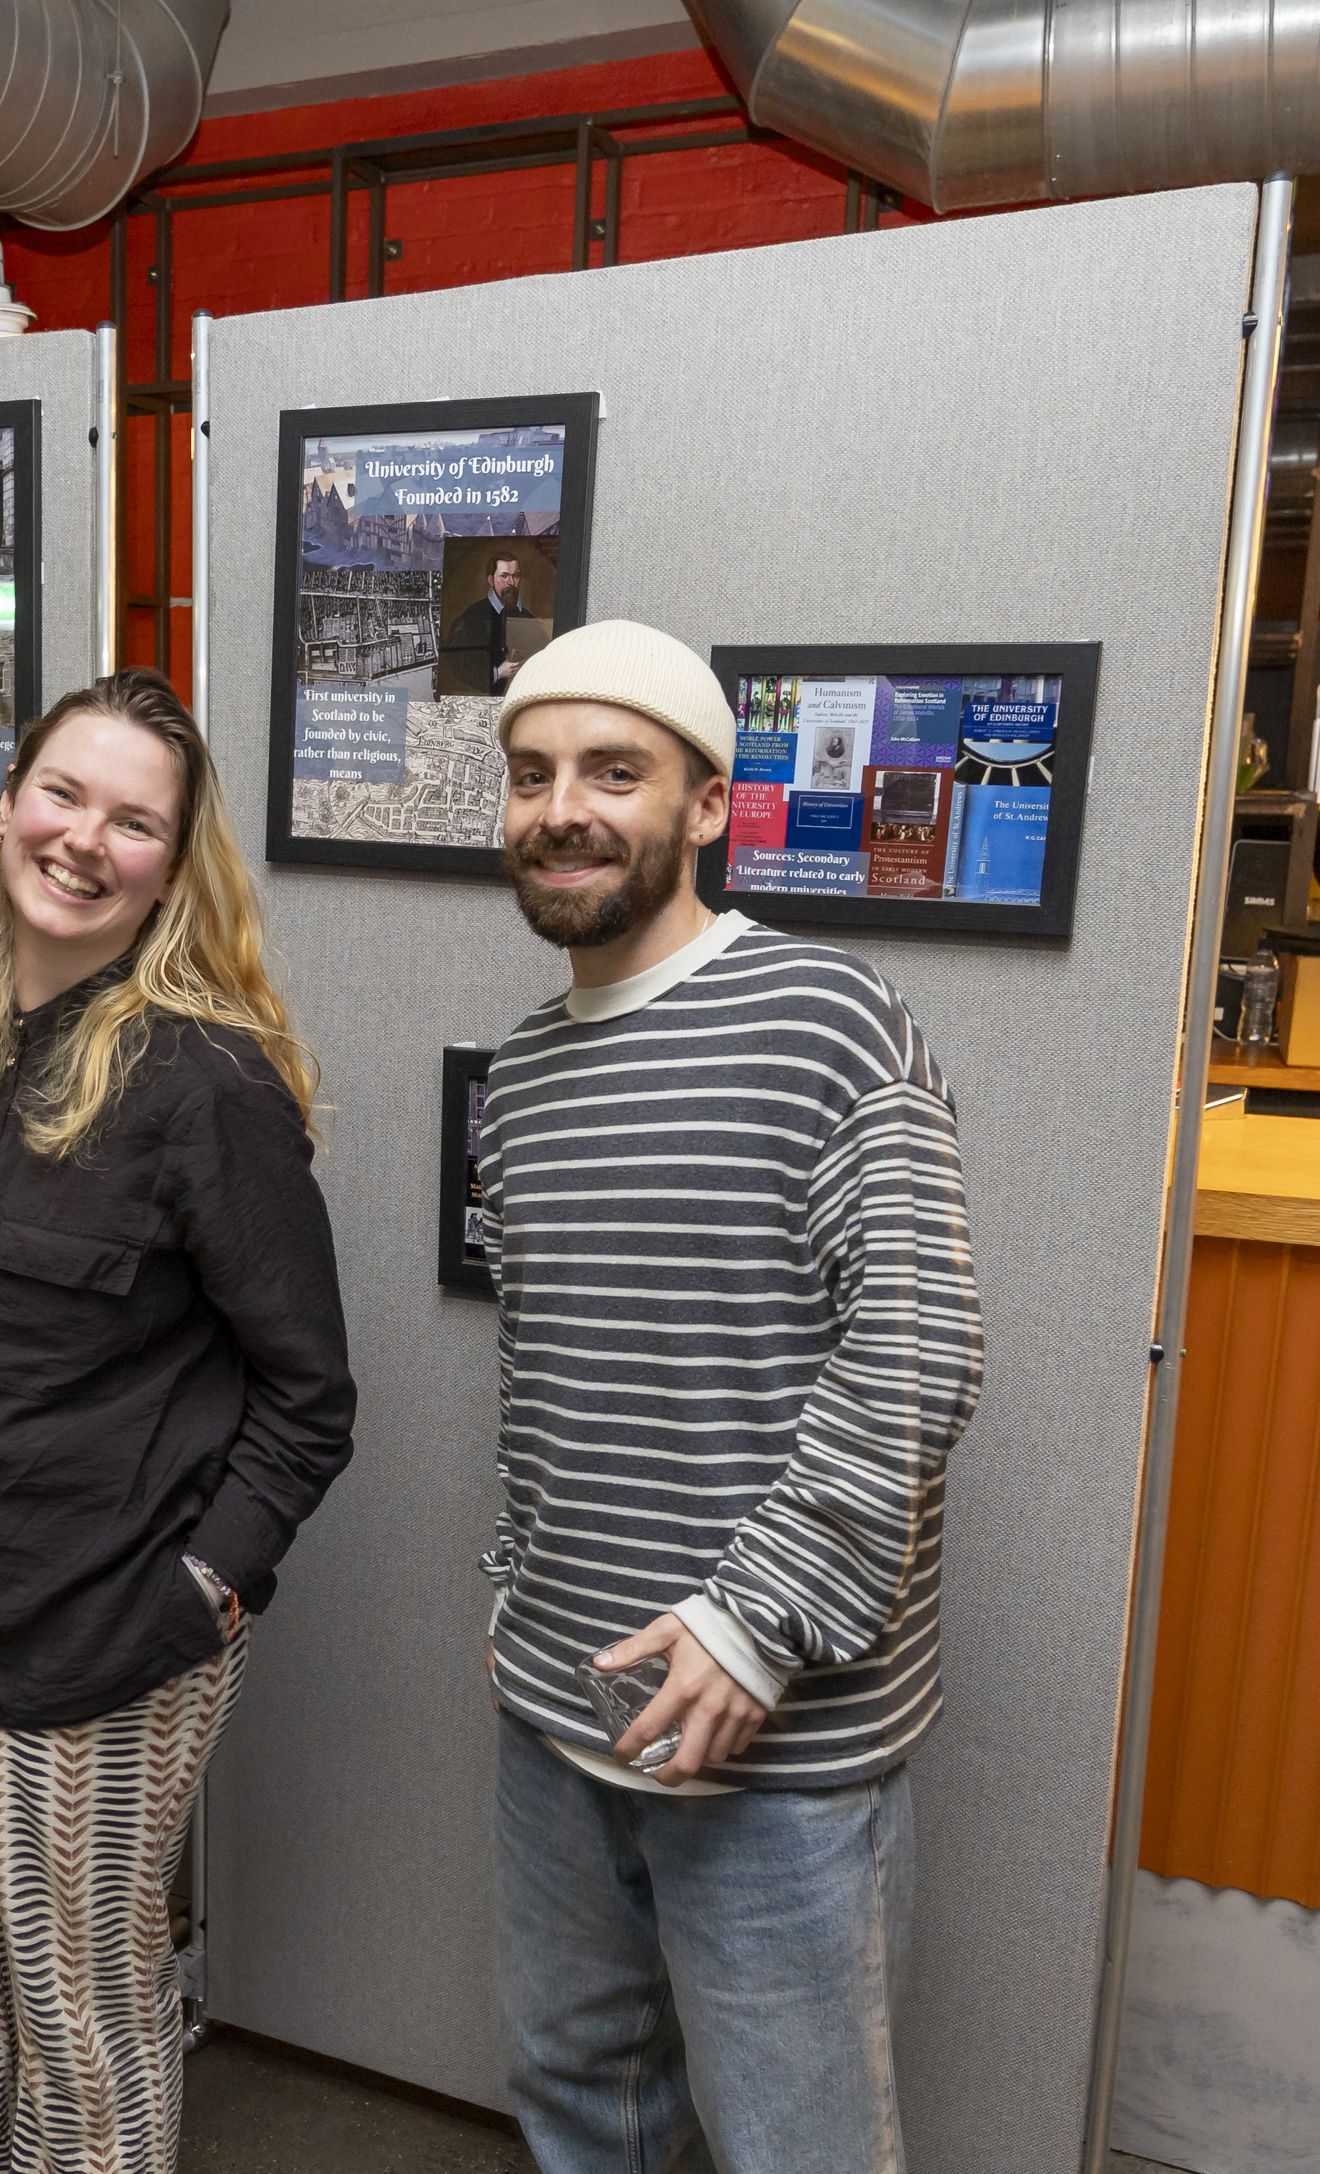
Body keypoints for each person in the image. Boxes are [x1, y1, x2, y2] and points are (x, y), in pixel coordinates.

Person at [476, 620, 981, 2174]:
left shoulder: (830, 1021)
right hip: (560, 1714)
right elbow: (567, 1381)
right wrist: (524, 1607)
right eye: (533, 773)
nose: (564, 807)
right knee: (579, 2109)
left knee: (797, 2146)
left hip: (780, 1750)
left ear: (705, 808)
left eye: (614, 771)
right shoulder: (519, 1072)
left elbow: (918, 1348)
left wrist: (753, 1621)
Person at [0, 667, 356, 2174]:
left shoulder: (207, 1084)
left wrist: (208, 1583)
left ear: (171, 865)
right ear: (8, 803)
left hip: (110, 1616)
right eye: (62, 793)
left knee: (79, 2003)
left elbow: (310, 1392)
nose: (84, 837)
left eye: (134, 820)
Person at [438, 552, 532, 695]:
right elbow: (459, 665)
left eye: (516, 576)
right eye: (504, 576)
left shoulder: (527, 617)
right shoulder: (470, 619)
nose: (511, 583)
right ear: (490, 580)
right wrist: (497, 673)